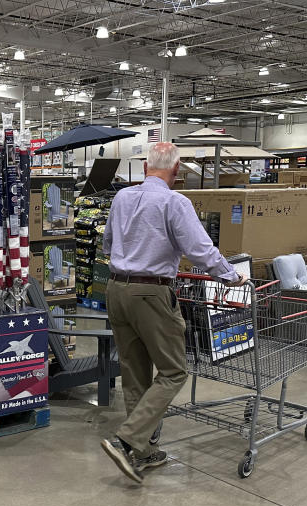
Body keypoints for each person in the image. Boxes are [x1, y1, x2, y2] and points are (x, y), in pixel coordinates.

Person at [100, 141, 248, 483]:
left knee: (134, 370)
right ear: (177, 171)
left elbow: (108, 243)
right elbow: (199, 249)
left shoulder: (121, 198)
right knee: (173, 371)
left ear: (146, 166)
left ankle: (144, 453)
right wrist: (231, 276)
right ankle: (127, 441)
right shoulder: (174, 201)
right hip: (151, 293)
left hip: (116, 289)